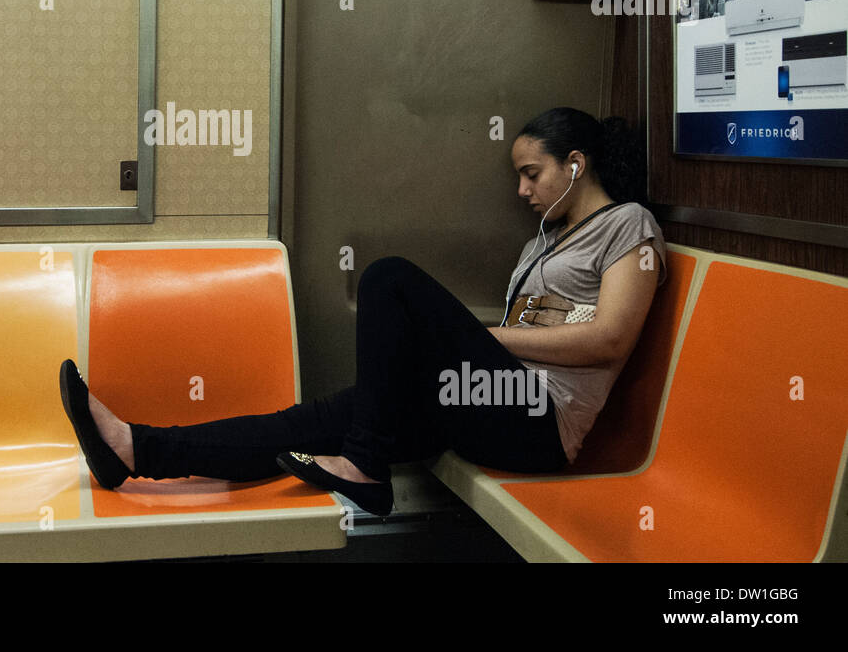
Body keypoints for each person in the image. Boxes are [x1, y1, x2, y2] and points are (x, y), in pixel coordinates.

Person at [59, 107, 666, 517]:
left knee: (388, 277)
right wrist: (477, 345)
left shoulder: (628, 225)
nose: (522, 191)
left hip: (540, 422)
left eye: (532, 174)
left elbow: (609, 340)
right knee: (316, 421)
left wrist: (486, 339)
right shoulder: (543, 242)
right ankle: (138, 450)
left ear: (577, 165)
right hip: (485, 397)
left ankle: (364, 466)